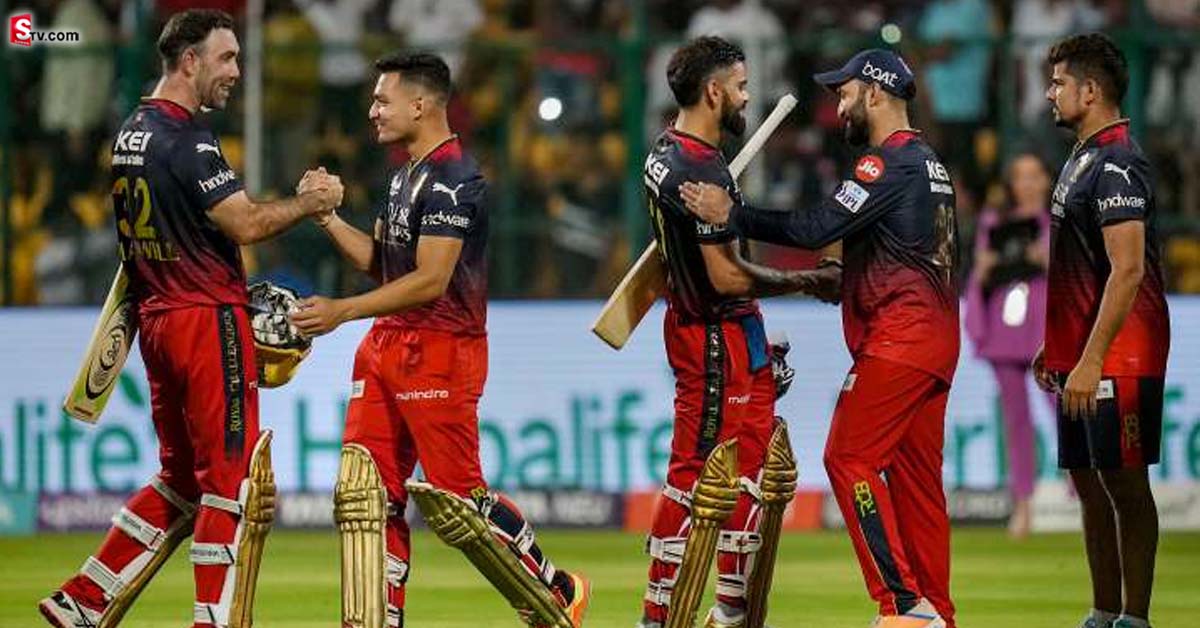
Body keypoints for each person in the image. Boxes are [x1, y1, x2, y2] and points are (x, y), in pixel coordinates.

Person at [38, 9, 343, 628]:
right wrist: (310, 202)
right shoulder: (190, 138)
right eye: (226, 58)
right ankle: (213, 620)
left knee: (180, 477)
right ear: (188, 61)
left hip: (157, 320)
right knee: (230, 484)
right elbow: (245, 223)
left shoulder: (130, 132)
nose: (236, 71)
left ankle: (84, 599)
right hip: (206, 321)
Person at [289, 51, 589, 628]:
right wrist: (325, 218)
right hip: (387, 343)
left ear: (420, 104)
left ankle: (558, 590)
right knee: (367, 495)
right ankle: (378, 619)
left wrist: (342, 311)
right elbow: (384, 265)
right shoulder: (403, 175)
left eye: (383, 100)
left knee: (459, 504)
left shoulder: (456, 179)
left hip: (441, 349)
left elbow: (430, 281)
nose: (373, 111)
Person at [683, 48, 960, 628]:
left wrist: (732, 211)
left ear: (875, 93)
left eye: (846, 93)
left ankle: (902, 604)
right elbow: (888, 246)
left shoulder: (887, 163)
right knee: (916, 486)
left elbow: (815, 227)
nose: (840, 106)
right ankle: (936, 613)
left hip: (901, 338)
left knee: (848, 457)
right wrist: (842, 275)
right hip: (932, 339)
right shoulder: (928, 163)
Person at [635, 35, 837, 628]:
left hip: (732, 332)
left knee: (750, 473)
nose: (748, 97)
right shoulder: (696, 170)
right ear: (713, 91)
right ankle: (657, 616)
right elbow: (725, 277)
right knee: (695, 478)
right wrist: (809, 281)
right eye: (741, 86)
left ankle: (730, 612)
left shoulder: (670, 151)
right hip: (712, 337)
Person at [1033, 33, 1170, 628]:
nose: (1050, 93)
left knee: (1125, 485)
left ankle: (1134, 619)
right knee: (1088, 484)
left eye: (1059, 83)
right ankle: (1103, 613)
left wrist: (1090, 359)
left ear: (1090, 91)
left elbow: (1128, 269)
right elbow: (1084, 265)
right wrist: (1060, 343)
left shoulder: (1117, 162)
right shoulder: (1083, 156)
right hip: (1085, 350)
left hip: (1121, 353)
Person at [965, 151, 1054, 539]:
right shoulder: (994, 221)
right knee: (1016, 420)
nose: (1028, 184)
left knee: (1065, 410)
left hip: (1047, 328)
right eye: (1021, 176)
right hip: (1005, 326)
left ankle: (1082, 492)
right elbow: (980, 272)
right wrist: (984, 270)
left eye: (1035, 175)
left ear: (1047, 180)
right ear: (1011, 183)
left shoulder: (1059, 220)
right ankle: (1023, 504)